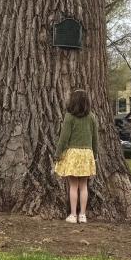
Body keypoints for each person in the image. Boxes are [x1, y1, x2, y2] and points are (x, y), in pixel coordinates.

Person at [53, 88, 98, 223]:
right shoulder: (91, 117)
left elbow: (64, 137)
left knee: (73, 186)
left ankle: (73, 215)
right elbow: (95, 137)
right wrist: (94, 154)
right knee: (84, 186)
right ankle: (83, 215)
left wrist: (57, 153)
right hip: (86, 154)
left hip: (73, 154)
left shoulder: (69, 116)